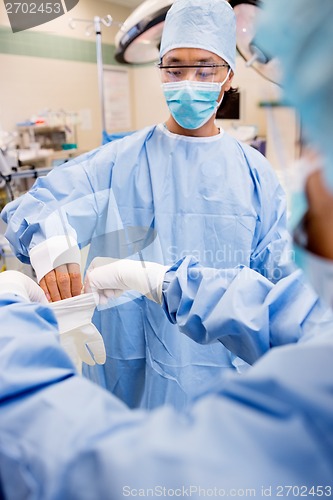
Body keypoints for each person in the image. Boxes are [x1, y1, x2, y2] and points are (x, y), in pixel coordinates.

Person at [1, 0, 333, 493]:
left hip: (228, 382)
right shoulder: (116, 162)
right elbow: (34, 210)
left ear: (228, 75)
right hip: (130, 376)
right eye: (175, 67)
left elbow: (280, 289)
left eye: (205, 68)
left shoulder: (256, 175)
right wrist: (53, 245)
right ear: (159, 70)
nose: (189, 81)